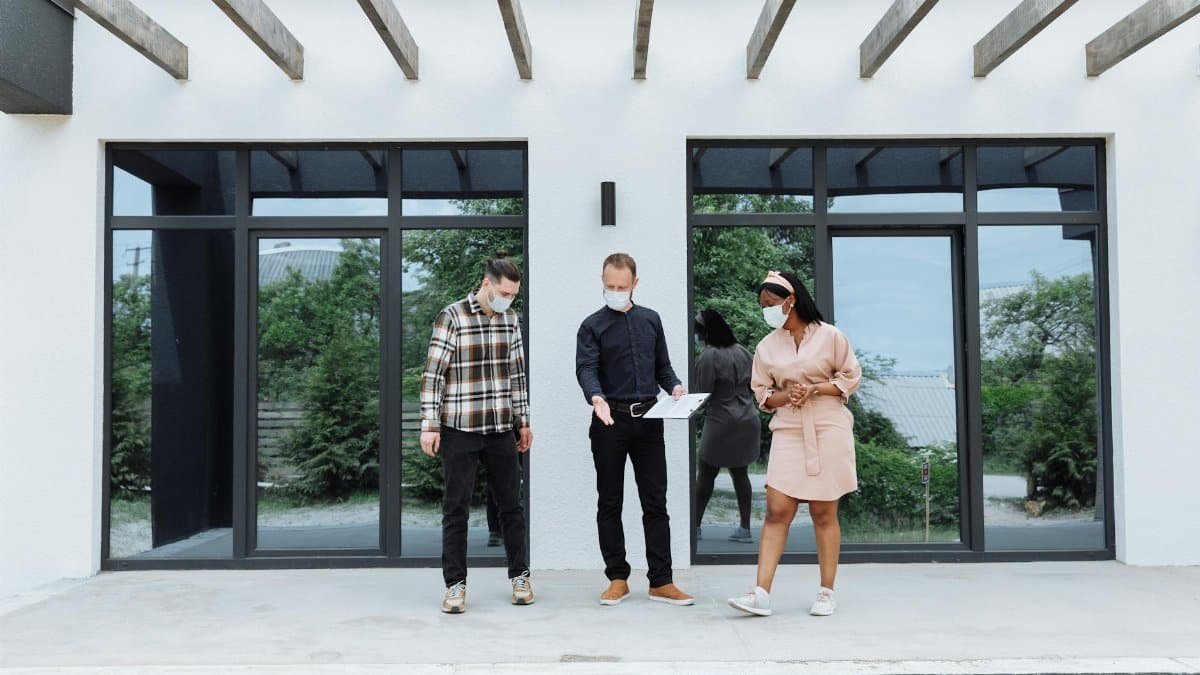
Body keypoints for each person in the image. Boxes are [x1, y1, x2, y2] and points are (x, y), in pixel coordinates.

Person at [728, 271, 861, 618]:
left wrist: (815, 389)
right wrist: (788, 395)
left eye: (771, 304)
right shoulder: (766, 347)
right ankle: (760, 593)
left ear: (791, 300)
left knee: (823, 512)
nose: (767, 311)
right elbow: (761, 393)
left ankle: (826, 591)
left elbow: (850, 377)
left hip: (828, 425)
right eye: (762, 306)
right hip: (789, 428)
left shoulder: (832, 336)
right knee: (777, 510)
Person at [576, 252, 695, 607]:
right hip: (609, 421)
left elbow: (664, 367)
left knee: (655, 501)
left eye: (621, 286)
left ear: (635, 284)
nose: (614, 291)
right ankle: (617, 577)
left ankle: (661, 580)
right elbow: (586, 368)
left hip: (649, 422)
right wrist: (595, 397)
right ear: (603, 282)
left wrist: (675, 386)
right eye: (609, 286)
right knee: (610, 501)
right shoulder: (591, 325)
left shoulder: (651, 320)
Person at [419, 251, 534, 614]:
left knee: (511, 508)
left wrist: (524, 420)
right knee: (457, 509)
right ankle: (455, 586)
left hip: (500, 427)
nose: (508, 299)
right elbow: (433, 374)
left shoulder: (510, 320)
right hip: (460, 428)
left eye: (513, 294)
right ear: (486, 284)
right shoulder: (451, 316)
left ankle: (520, 577)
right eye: (504, 292)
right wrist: (429, 424)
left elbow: (517, 374)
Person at [693, 309, 761, 544]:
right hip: (747, 419)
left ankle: (696, 526)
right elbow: (756, 383)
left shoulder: (709, 357)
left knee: (706, 474)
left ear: (706, 332)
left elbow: (702, 393)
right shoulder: (743, 351)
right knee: (740, 473)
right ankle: (745, 528)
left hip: (721, 421)